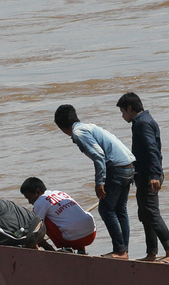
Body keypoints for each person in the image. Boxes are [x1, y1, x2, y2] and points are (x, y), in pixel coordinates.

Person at [54, 104, 135, 259]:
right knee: (120, 210)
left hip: (116, 170)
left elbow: (98, 156)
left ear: (62, 127)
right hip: (129, 166)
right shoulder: (88, 126)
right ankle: (123, 250)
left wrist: (99, 182)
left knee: (106, 209)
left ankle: (120, 251)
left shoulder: (78, 132)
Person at [116, 92, 169, 264]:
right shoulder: (143, 121)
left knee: (151, 213)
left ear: (130, 108)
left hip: (150, 176)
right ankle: (151, 254)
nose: (122, 116)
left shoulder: (142, 123)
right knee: (145, 214)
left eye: (122, 112)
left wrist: (154, 175)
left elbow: (152, 150)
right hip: (144, 175)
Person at [20, 177, 96, 253]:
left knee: (39, 223)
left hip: (74, 240)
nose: (29, 202)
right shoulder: (60, 193)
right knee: (70, 217)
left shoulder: (40, 201)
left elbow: (36, 229)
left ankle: (63, 249)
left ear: (38, 192)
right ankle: (81, 250)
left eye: (29, 198)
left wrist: (46, 247)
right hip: (91, 235)